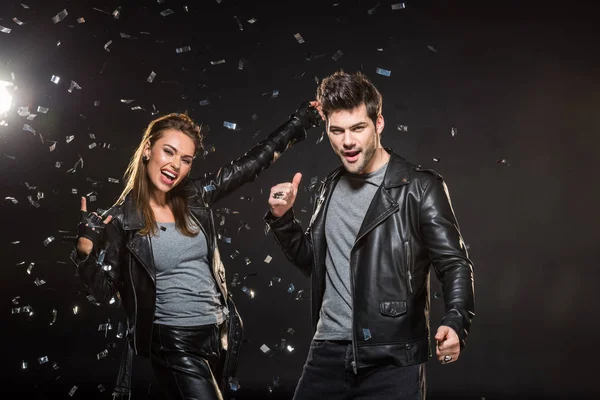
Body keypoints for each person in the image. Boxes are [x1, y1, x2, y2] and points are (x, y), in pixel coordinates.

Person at [71, 102, 321, 400]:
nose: (176, 165)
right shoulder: (119, 220)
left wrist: (300, 121)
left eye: (186, 159)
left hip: (218, 335)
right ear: (148, 149)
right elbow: (102, 292)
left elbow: (253, 163)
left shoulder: (195, 196)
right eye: (169, 151)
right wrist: (85, 251)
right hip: (174, 341)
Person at [264, 70, 475, 400]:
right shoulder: (328, 187)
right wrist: (282, 219)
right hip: (326, 354)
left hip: (391, 360)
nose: (347, 141)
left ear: (378, 124)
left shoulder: (419, 188)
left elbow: (454, 264)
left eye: (357, 128)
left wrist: (456, 320)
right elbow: (316, 263)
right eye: (337, 131)